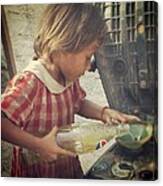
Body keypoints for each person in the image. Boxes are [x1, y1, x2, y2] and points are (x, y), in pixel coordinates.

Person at [1, 4, 140, 178]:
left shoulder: (68, 78)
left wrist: (104, 113)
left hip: (67, 167)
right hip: (39, 172)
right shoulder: (30, 83)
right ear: (64, 45)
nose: (90, 67)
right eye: (87, 57)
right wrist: (39, 145)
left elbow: (78, 103)